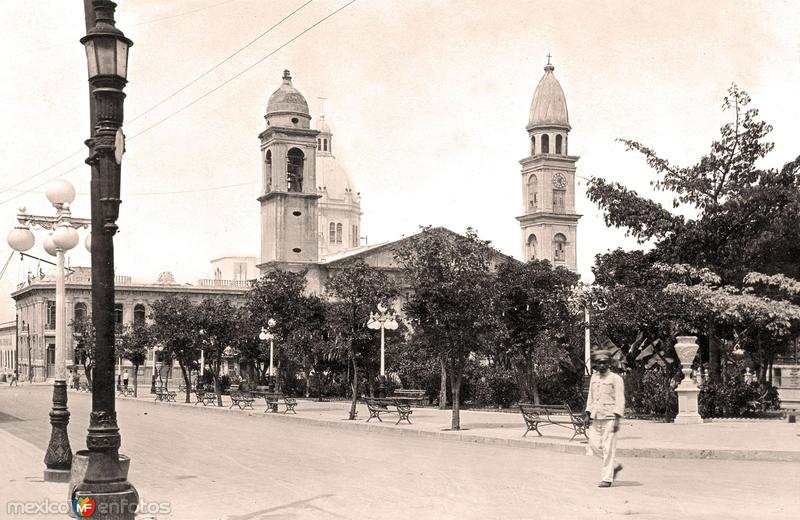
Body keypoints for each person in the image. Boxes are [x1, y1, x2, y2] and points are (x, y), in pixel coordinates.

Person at [585, 350, 625, 488]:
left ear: (609, 363)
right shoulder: (594, 378)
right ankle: (615, 465)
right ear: (595, 364)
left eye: (604, 363)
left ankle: (607, 479)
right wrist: (587, 413)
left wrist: (617, 420)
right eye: (599, 363)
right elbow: (591, 396)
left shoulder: (616, 379)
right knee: (593, 445)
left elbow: (620, 400)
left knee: (608, 448)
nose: (601, 365)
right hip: (596, 416)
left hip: (610, 417)